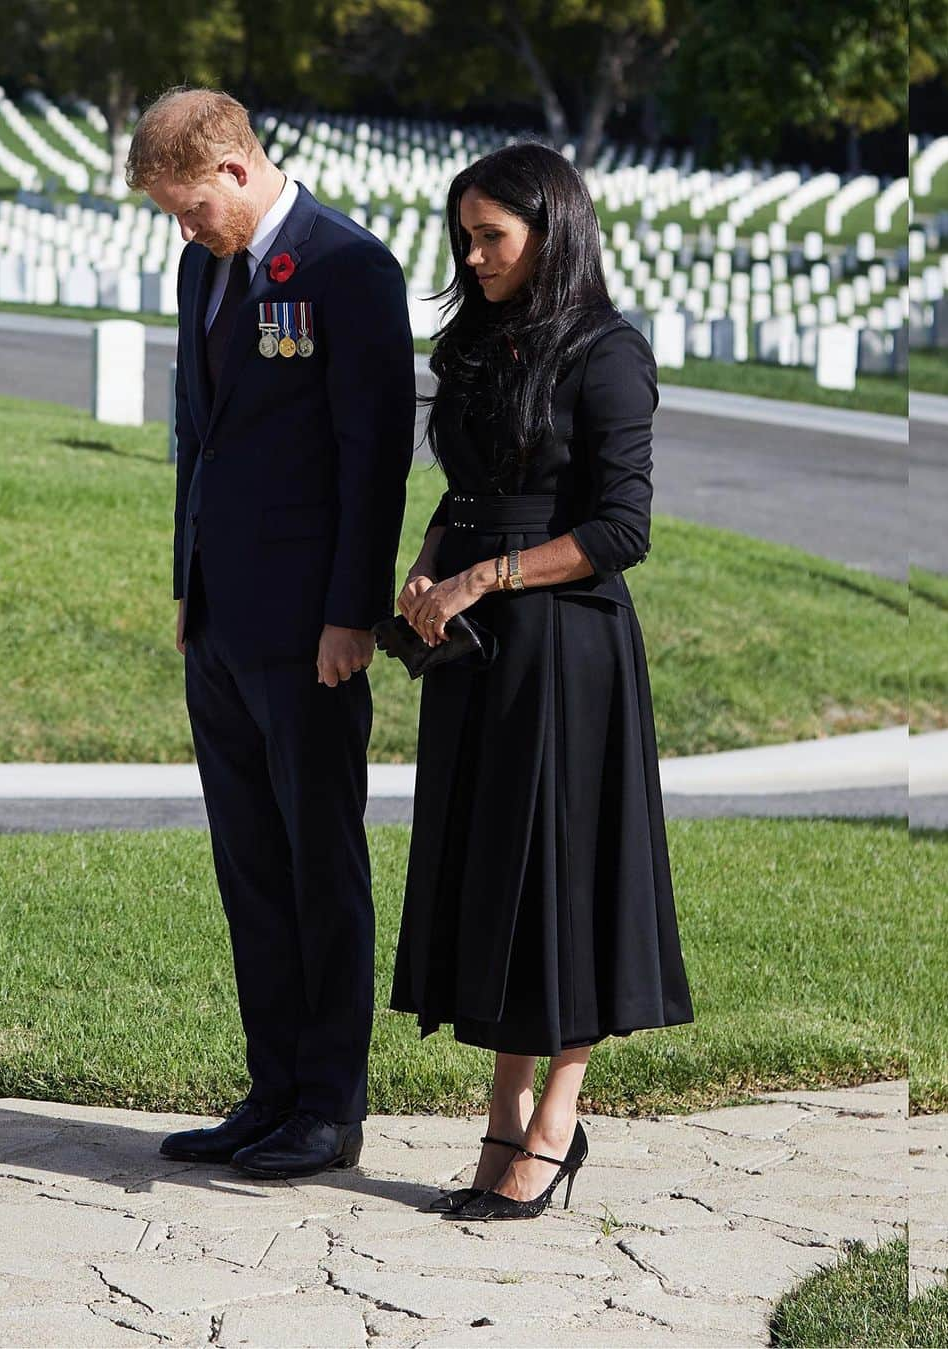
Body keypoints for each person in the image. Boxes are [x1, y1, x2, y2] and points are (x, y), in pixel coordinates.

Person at [390, 142, 694, 1221]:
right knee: (496, 886)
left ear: (552, 231)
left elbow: (621, 528)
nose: (472, 258)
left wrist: (482, 574)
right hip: (477, 658)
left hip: (568, 654)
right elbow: (466, 485)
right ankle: (501, 1106)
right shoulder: (480, 340)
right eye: (463, 238)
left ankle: (553, 1121)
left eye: (491, 238)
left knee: (561, 893)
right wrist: (431, 560)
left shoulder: (610, 354)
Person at [125, 89, 416, 1178]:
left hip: (310, 631)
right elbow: (202, 438)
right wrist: (186, 583)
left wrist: (353, 613)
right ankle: (271, 1087)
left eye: (194, 206)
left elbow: (371, 456)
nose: (185, 229)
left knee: (318, 862)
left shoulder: (350, 268)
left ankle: (329, 1107)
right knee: (249, 863)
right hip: (220, 620)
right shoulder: (207, 265)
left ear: (239, 169)